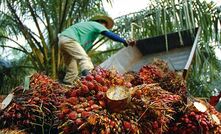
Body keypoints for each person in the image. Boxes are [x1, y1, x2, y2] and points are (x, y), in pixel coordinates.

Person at [58, 14, 136, 85]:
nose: (104, 28)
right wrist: (124, 41)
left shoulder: (87, 30)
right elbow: (109, 34)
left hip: (62, 40)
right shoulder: (96, 24)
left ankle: (66, 85)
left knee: (72, 70)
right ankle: (90, 82)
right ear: (101, 22)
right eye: (105, 26)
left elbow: (80, 51)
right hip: (70, 39)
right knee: (84, 59)